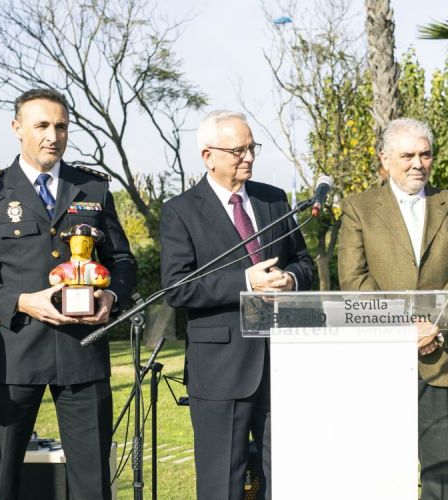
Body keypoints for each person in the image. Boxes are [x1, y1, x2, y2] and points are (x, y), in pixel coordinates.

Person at [0, 88, 137, 500]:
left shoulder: (91, 188)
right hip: (14, 353)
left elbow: (122, 261)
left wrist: (113, 298)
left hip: (82, 350)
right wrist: (21, 301)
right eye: (41, 125)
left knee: (93, 481)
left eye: (60, 126)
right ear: (16, 127)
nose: (52, 136)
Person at [159, 110, 315, 499]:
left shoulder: (273, 200)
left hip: (281, 361)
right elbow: (177, 287)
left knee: (286, 478)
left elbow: (304, 263)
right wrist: (247, 281)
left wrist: (290, 279)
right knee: (221, 485)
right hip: (221, 369)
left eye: (251, 148)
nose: (248, 157)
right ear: (208, 155)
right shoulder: (180, 210)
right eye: (237, 150)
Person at [338, 118, 448, 500]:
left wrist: (432, 326)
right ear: (384, 159)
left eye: (425, 154)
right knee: (383, 473)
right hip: (379, 359)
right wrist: (403, 329)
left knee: (439, 475)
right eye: (408, 155)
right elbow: (354, 281)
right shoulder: (358, 209)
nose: (418, 163)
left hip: (443, 357)